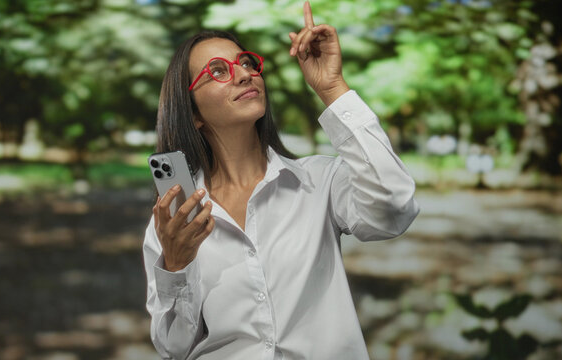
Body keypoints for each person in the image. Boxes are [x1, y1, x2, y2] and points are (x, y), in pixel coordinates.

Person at [142, 2, 419, 359]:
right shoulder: (175, 222)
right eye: (217, 71)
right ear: (193, 112)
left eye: (245, 62)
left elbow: (394, 210)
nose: (243, 74)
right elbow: (173, 346)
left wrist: (332, 88)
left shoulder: (319, 181)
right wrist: (176, 266)